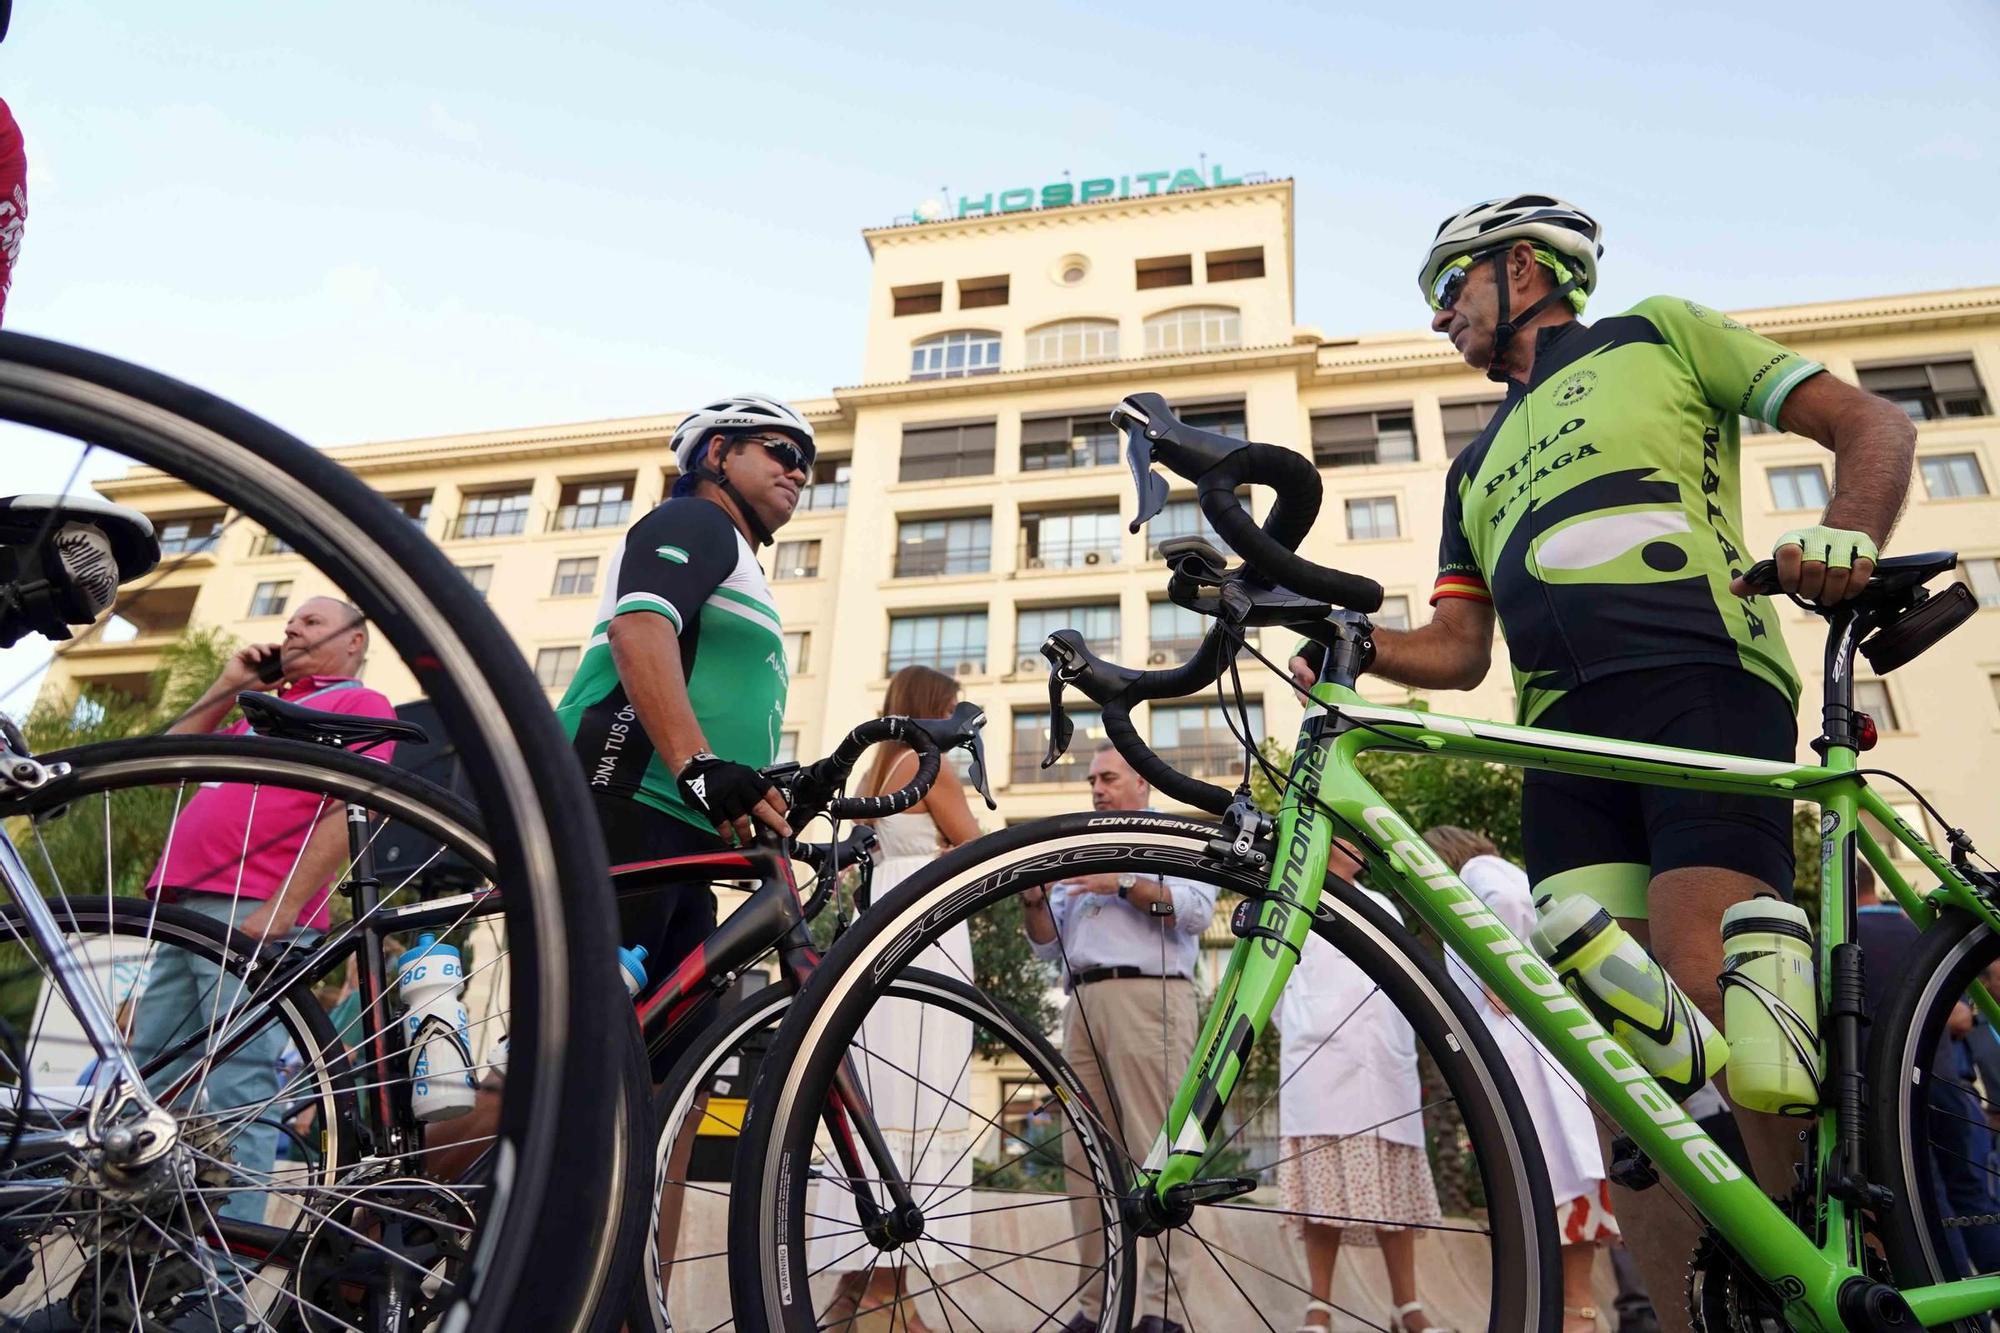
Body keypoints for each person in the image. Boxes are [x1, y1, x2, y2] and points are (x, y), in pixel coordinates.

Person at [1295, 193, 1916, 1327]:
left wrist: (1849, 535)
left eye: (1446, 289)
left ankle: (1832, 1266)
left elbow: (1871, 425)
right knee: (1617, 1061)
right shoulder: (1469, 468)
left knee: (1701, 979)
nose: (1438, 318)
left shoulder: (1658, 333)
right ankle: (1706, 1304)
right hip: (1558, 738)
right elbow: (1456, 647)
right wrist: (1342, 639)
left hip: (1695, 680)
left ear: (1521, 269)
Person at [552, 391, 811, 1303]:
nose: (798, 471)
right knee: (582, 1066)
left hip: (686, 837)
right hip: (624, 803)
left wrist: (750, 791)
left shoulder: (742, 563)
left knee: (674, 1095)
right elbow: (638, 629)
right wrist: (702, 767)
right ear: (715, 453)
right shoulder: (694, 520)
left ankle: (635, 1297)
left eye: (809, 464)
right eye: (780, 450)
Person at [133, 596, 395, 1224]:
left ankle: (221, 1293)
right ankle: (129, 1271)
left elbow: (359, 803)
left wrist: (282, 911)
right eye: (289, 623)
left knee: (233, 1095)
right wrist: (229, 684)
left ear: (354, 642)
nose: (291, 630)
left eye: (310, 622)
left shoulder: (357, 704)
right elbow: (163, 766)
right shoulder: (264, 714)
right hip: (187, 909)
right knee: (147, 1083)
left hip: (253, 910)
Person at [1020, 742, 1218, 1333]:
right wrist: (1033, 897)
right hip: (1080, 1003)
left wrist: (1123, 881)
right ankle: (1097, 1303)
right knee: (1085, 1162)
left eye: (1108, 777)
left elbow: (1195, 912)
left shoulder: (1170, 837)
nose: (1097, 788)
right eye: (1091, 780)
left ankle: (1163, 1309)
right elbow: (1044, 943)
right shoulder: (1078, 846)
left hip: (1149, 998)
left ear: (1141, 782)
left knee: (1156, 1154)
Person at [811, 666, 985, 1333]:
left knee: (881, 1099)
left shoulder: (875, 771)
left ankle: (854, 1297)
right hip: (929, 935)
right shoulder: (929, 763)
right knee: (918, 1093)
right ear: (932, 705)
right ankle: (890, 1299)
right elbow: (976, 846)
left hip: (878, 933)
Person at [1425, 826, 1616, 1333]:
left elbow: (1506, 901)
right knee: (1559, 1198)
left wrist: (1503, 971)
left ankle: (1576, 1318)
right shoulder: (1498, 872)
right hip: (1531, 1056)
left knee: (1550, 1187)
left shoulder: (1475, 871)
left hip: (1527, 1061)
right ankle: (1577, 1317)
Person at [1280, 841, 1451, 1333]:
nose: (1357, 847)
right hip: (1319, 1064)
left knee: (1392, 1191)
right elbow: (1278, 987)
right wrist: (1304, 1025)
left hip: (1383, 1065)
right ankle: (1320, 1306)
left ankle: (1407, 1306)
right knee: (1322, 1193)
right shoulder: (1296, 895)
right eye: (1346, 837)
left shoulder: (1382, 905)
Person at [1854, 859, 2000, 1276]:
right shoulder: (1914, 927)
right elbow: (1959, 1015)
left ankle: (1960, 1307)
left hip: (1884, 1093)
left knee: (1923, 1200)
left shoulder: (1834, 940)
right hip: (1945, 1081)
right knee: (1973, 1193)